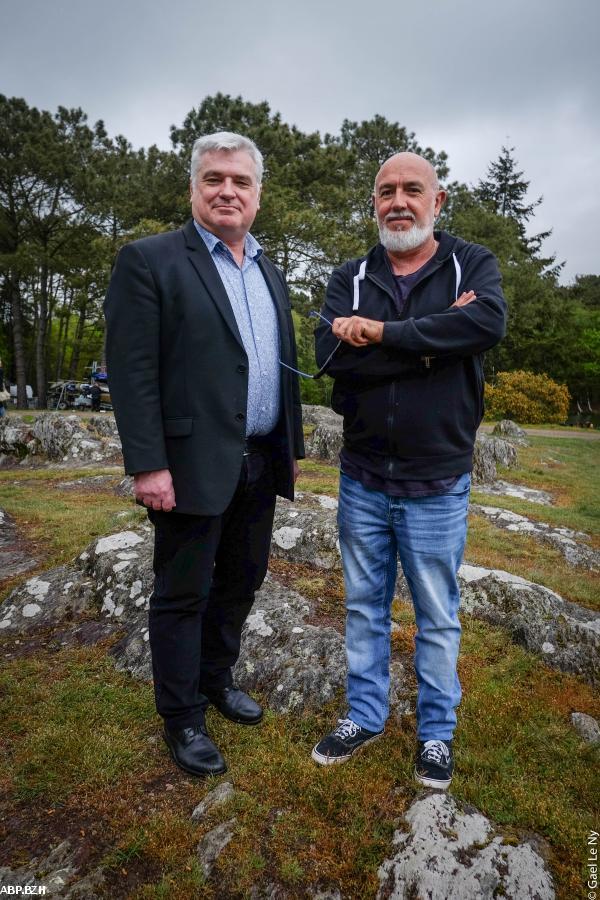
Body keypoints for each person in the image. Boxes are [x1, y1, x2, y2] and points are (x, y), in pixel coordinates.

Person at [104, 132, 304, 777]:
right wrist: (148, 463)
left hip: (261, 458)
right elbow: (132, 372)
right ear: (193, 187)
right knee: (183, 593)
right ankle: (182, 715)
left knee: (242, 581)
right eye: (215, 178)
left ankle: (217, 680)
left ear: (257, 194)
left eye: (241, 182)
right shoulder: (150, 260)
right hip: (188, 464)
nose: (228, 191)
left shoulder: (269, 267)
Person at [312, 152, 506, 789]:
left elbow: (486, 323)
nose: (399, 201)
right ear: (374, 204)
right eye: (387, 191)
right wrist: (434, 345)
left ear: (437, 201)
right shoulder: (351, 275)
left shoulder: (469, 264)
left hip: (438, 479)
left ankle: (435, 734)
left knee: (436, 613)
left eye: (412, 190)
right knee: (365, 607)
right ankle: (364, 716)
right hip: (363, 475)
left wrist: (383, 335)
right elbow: (332, 361)